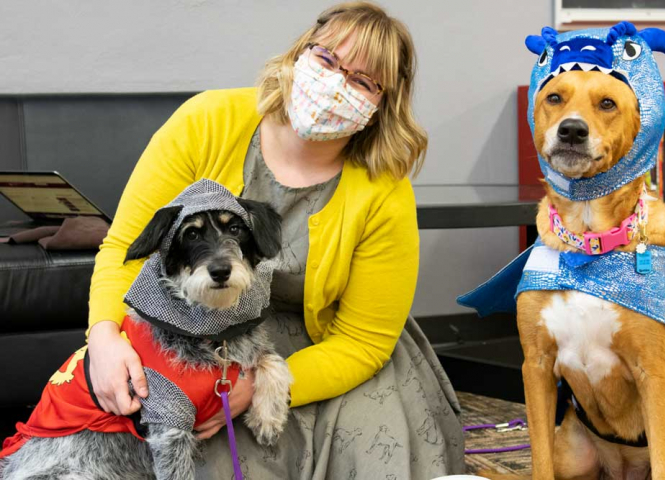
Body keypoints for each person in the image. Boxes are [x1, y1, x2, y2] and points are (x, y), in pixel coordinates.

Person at [86, 2, 464, 477]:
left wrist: (264, 384)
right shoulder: (204, 121)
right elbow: (124, 248)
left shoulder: (384, 187)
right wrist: (103, 335)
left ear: (381, 105)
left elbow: (363, 342)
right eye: (327, 60)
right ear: (299, 54)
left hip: (330, 349)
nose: (336, 84)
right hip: (203, 335)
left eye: (363, 81)